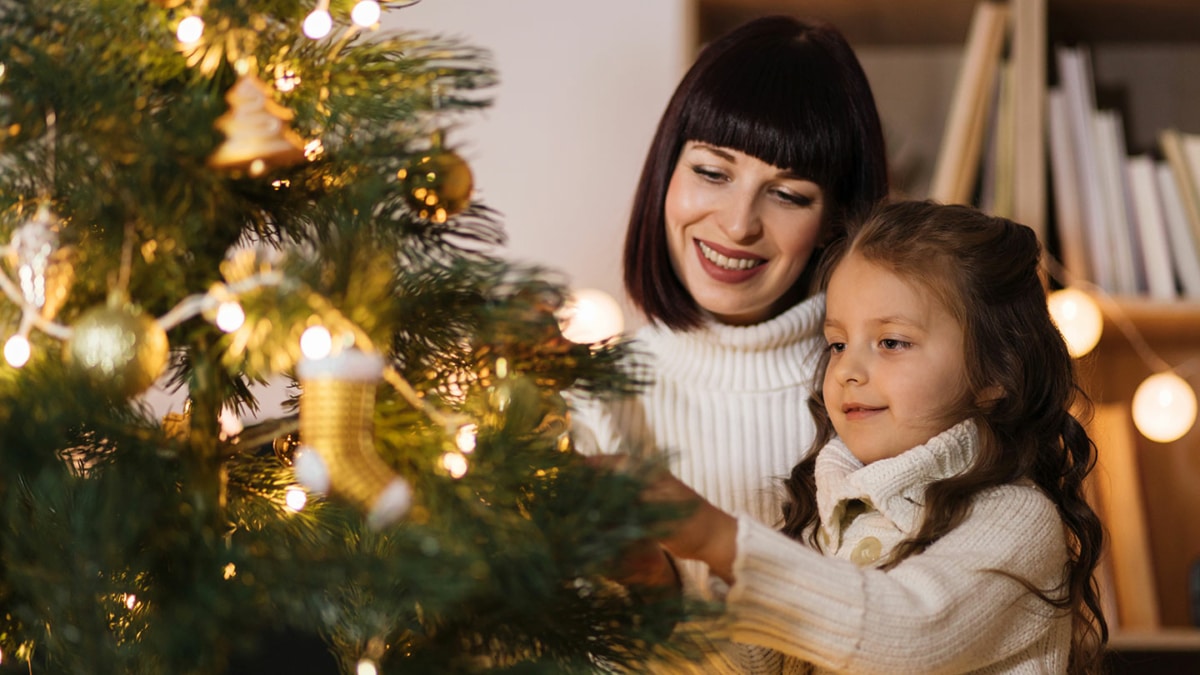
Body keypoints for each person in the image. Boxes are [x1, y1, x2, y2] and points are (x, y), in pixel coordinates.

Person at [639, 200, 1108, 673]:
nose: (847, 370)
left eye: (891, 342)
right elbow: (757, 664)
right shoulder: (826, 513)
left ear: (995, 374)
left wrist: (720, 540)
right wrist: (656, 584)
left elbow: (910, 633)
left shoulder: (1015, 519)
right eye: (838, 344)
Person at [569, 14, 889, 590]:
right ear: (667, 172)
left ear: (835, 222)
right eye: (712, 172)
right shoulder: (585, 401)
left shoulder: (883, 398)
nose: (738, 225)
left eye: (789, 194)